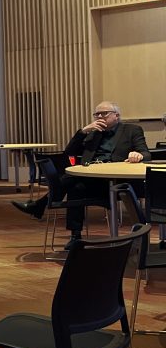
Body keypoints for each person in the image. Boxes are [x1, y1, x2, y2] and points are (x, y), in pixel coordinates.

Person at [12, 100, 149, 248]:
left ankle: (40, 205)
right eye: (96, 114)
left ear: (116, 115)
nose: (100, 117)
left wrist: (138, 155)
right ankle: (75, 236)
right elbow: (69, 152)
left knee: (72, 180)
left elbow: (146, 154)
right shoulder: (93, 133)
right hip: (93, 179)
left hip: (117, 182)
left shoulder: (132, 130)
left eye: (104, 113)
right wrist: (83, 132)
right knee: (75, 187)